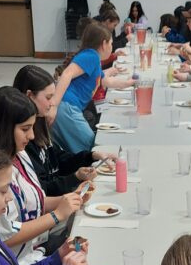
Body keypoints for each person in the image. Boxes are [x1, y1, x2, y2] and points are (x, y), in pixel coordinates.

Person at [0, 86, 84, 265]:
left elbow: (33, 202)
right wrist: (56, 215)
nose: (31, 136)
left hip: (34, 251)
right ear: (2, 129)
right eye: (25, 129)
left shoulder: (20, 154)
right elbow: (4, 236)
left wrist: (69, 200)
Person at [13, 65, 117, 196]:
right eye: (48, 97)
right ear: (29, 96)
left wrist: (92, 156)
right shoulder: (23, 139)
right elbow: (41, 191)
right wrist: (75, 177)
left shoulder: (40, 123)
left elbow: (58, 159)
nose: (53, 103)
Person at [51, 22, 135, 153]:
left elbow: (106, 81)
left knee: (86, 147)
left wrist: (128, 83)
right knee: (92, 145)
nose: (112, 47)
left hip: (68, 108)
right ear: (104, 44)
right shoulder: (92, 56)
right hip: (66, 108)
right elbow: (67, 74)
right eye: (111, 43)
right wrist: (54, 105)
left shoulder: (93, 58)